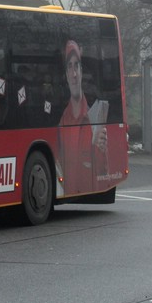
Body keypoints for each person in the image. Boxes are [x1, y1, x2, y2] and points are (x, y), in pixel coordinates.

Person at [57, 40, 108, 195]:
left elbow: (104, 175)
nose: (73, 74)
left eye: (77, 66)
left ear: (81, 71)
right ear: (66, 74)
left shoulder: (96, 117)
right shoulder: (61, 123)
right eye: (69, 67)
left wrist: (101, 150)